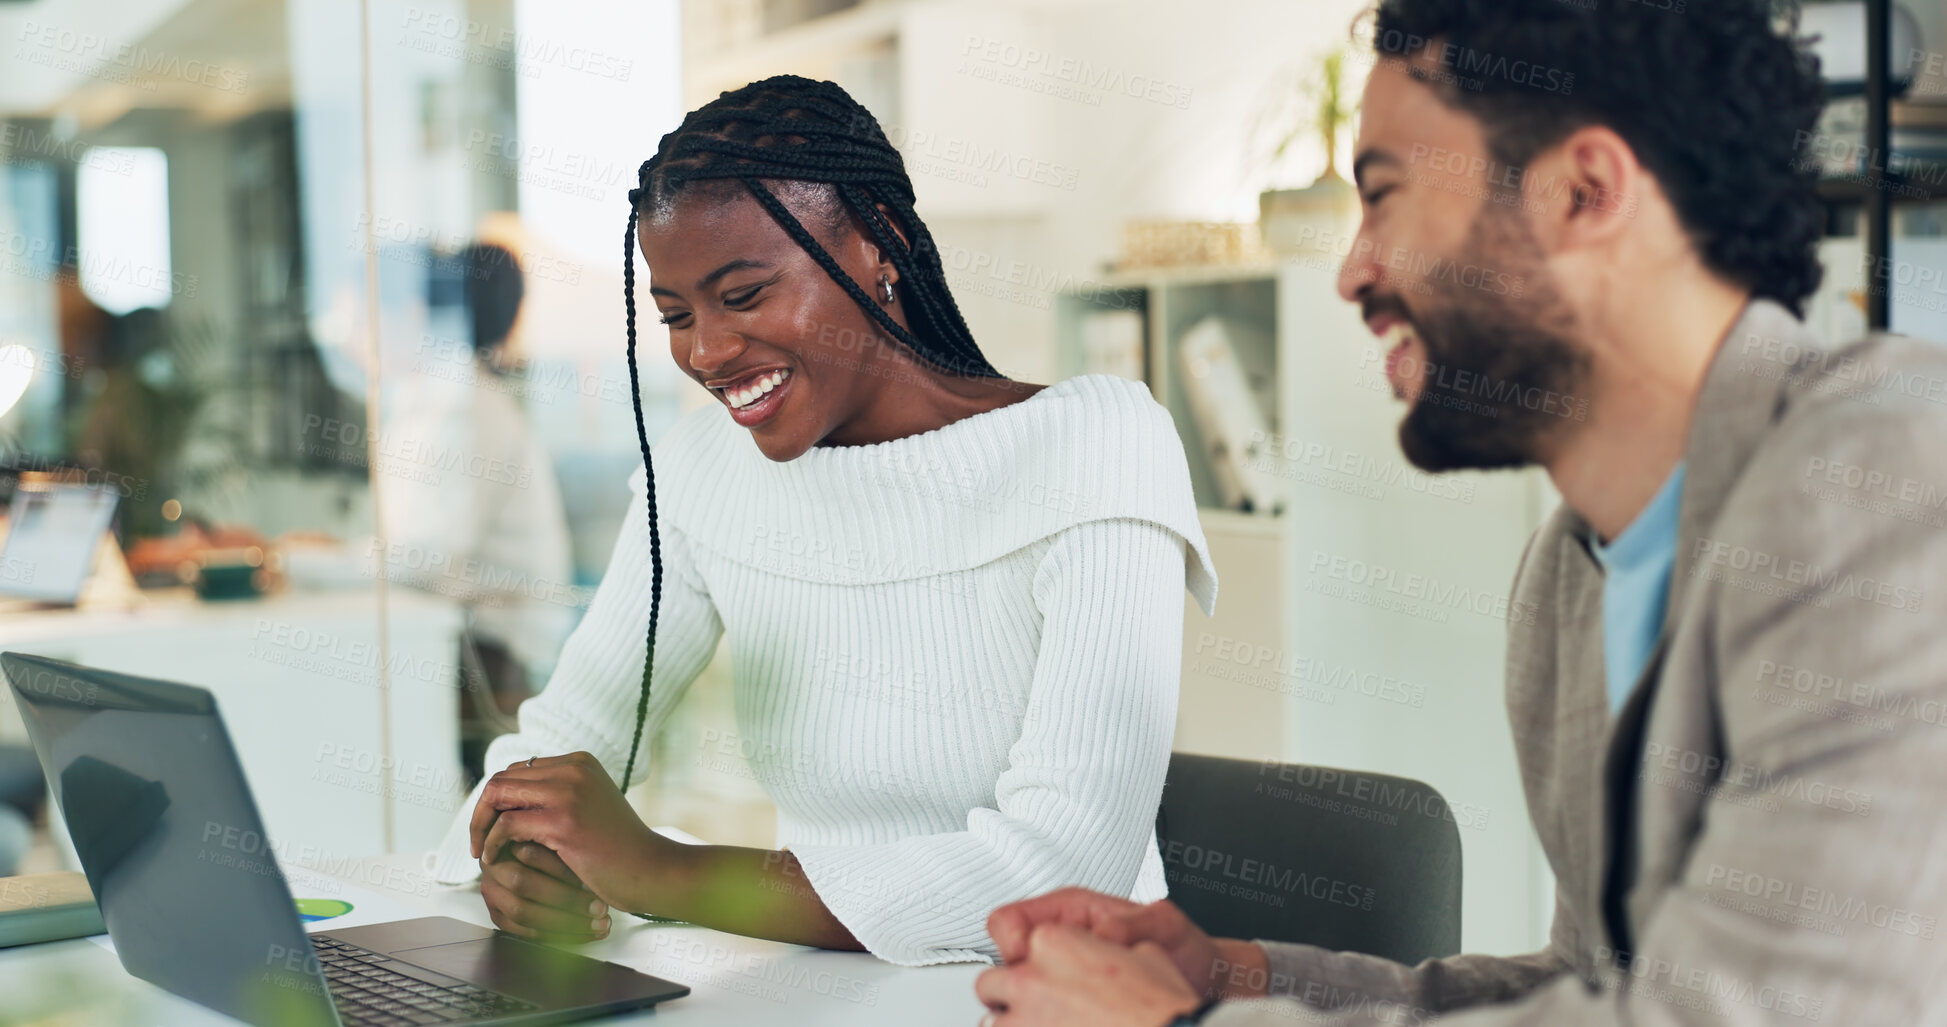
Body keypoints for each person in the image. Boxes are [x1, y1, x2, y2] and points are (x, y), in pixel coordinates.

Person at [976, 1, 1947, 1023]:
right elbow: (1596, 988)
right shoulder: (1570, 571)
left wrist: (1184, 1025)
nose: (1352, 270)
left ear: (1583, 192)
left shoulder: (1887, 486)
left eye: (1383, 196)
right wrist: (1234, 978)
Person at [427, 75, 1218, 966]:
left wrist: (658, 869)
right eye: (676, 315)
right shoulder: (699, 468)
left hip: (1067, 995)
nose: (707, 353)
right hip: (819, 989)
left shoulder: (1096, 444)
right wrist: (519, 851)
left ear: (879, 242)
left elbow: (1061, 872)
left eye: (743, 294)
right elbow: (563, 742)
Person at [377, 240, 574, 779]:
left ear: (416, 314)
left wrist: (331, 565)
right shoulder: (436, 400)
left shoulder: (465, 407)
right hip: (473, 648)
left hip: (492, 661)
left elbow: (427, 558)